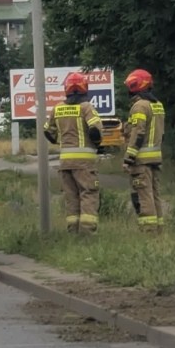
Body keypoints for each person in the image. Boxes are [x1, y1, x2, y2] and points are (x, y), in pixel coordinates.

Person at [44, 72, 104, 233]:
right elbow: (96, 131)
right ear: (85, 89)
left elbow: (48, 132)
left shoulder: (58, 108)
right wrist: (98, 144)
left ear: (67, 89)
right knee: (88, 193)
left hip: (65, 162)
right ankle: (87, 233)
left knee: (71, 197)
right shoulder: (86, 107)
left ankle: (73, 231)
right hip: (84, 163)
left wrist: (61, 141)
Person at [122, 69, 166, 233]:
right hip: (155, 158)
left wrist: (128, 158)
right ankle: (159, 230)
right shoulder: (158, 105)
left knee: (144, 195)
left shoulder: (139, 106)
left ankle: (149, 232)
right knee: (155, 195)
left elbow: (138, 133)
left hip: (141, 160)